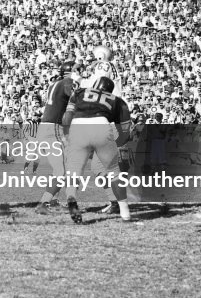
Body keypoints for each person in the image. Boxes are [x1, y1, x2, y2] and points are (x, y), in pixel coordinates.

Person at [61, 76, 134, 223]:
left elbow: (67, 116)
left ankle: (71, 196)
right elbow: (126, 131)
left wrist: (67, 134)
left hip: (78, 125)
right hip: (101, 125)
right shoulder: (117, 100)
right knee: (114, 172)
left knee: (74, 170)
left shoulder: (80, 92)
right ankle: (125, 212)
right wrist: (116, 144)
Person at [33, 61, 80, 215]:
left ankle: (51, 200)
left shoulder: (56, 83)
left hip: (47, 127)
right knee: (64, 170)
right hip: (53, 129)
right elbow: (75, 96)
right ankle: (44, 203)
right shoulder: (68, 82)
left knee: (63, 167)